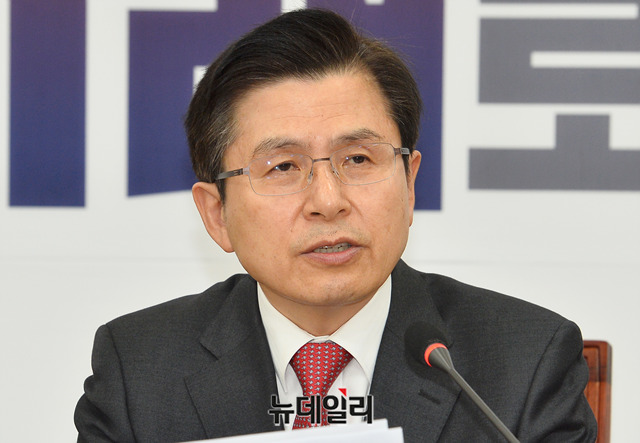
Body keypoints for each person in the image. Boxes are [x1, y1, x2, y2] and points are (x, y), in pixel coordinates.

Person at [75, 8, 597, 443]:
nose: (328, 202)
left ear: (410, 184)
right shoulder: (138, 371)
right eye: (283, 166)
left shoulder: (525, 364)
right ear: (217, 214)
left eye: (359, 159)